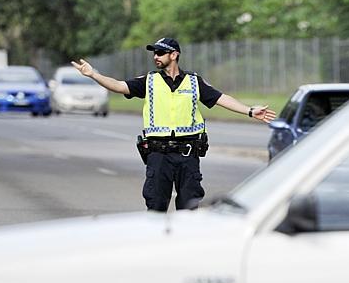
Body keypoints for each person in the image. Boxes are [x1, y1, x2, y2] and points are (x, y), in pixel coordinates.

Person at [72, 37, 276, 211]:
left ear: (174, 55)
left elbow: (221, 98)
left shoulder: (194, 81)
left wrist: (249, 110)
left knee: (189, 208)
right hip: (158, 156)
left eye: (160, 52)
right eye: (154, 53)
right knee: (156, 207)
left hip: (188, 156)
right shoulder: (149, 81)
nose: (156, 57)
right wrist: (93, 75)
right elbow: (118, 86)